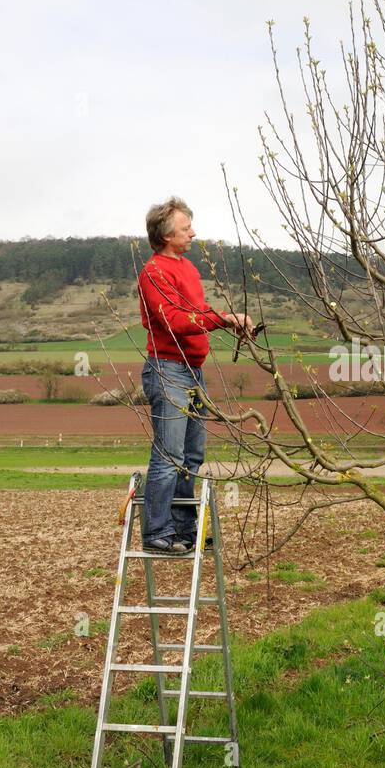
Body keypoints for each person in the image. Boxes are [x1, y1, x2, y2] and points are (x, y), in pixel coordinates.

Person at [137, 197, 253, 553]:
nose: (193, 232)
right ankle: (157, 532)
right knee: (169, 454)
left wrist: (228, 320)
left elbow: (197, 312)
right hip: (168, 370)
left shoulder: (187, 268)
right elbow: (174, 321)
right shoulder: (154, 273)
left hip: (193, 371)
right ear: (167, 234)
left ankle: (185, 530)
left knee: (192, 456)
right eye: (186, 228)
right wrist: (222, 319)